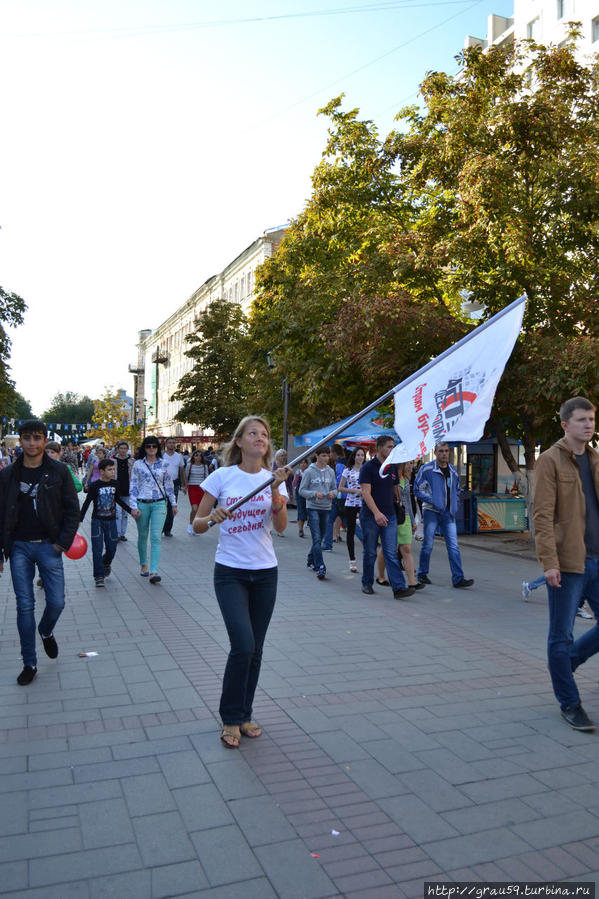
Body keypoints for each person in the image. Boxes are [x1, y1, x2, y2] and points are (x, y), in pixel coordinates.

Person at [192, 415, 290, 749]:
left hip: (265, 573)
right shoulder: (222, 477)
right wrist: (212, 517)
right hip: (230, 572)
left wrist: (276, 490)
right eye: (253, 433)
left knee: (257, 649)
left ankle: (245, 714)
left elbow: (281, 527)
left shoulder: (272, 479)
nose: (260, 438)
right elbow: (196, 525)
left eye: (264, 434)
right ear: (239, 441)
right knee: (243, 645)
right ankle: (230, 718)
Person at [534, 396, 599, 732]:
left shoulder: (595, 459)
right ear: (564, 424)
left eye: (591, 419)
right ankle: (570, 703)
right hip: (568, 563)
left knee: (566, 649)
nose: (588, 424)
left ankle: (569, 662)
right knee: (560, 636)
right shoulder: (550, 461)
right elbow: (542, 516)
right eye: (582, 420)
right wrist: (549, 562)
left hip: (597, 559)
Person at [0, 420, 79, 686]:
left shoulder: (59, 471)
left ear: (45, 440)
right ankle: (29, 662)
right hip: (19, 546)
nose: (31, 443)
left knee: (56, 602)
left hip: (49, 545)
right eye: (26, 438)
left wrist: (61, 544)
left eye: (37, 438)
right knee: (25, 606)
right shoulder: (8, 474)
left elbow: (72, 510)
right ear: (20, 441)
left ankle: (45, 631)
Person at [359, 435, 414, 599]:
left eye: (393, 446)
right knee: (370, 552)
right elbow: (365, 493)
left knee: (390, 551)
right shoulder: (368, 467)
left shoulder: (391, 467)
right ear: (379, 448)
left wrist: (399, 503)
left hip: (390, 515)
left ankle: (398, 588)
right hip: (370, 516)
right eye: (389, 447)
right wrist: (376, 513)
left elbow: (395, 487)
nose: (392, 449)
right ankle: (367, 583)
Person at [414, 443, 473, 589]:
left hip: (448, 513)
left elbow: (457, 489)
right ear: (435, 452)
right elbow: (417, 489)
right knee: (428, 545)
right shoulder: (426, 469)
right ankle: (422, 573)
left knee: (453, 546)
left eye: (446, 451)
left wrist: (455, 503)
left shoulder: (453, 470)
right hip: (431, 512)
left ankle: (458, 578)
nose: (444, 454)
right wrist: (432, 500)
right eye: (441, 451)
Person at [80, 458, 138, 587]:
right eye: (110, 470)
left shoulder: (115, 484)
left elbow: (118, 500)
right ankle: (99, 576)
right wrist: (80, 519)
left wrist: (131, 511)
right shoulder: (95, 486)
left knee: (112, 548)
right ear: (101, 471)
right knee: (97, 549)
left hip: (111, 521)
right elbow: (86, 502)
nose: (113, 472)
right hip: (97, 521)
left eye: (113, 469)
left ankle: (106, 563)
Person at [129, 437, 177, 584]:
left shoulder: (164, 464)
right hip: (142, 503)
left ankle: (154, 571)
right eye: (148, 446)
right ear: (144, 448)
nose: (151, 449)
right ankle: (144, 564)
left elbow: (169, 486)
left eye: (154, 446)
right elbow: (134, 485)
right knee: (143, 535)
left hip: (159, 504)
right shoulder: (138, 464)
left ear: (158, 448)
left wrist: (173, 504)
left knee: (156, 537)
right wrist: (133, 506)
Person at [299, 448, 337, 580]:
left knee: (319, 538)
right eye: (323, 456)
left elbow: (334, 488)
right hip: (313, 507)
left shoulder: (330, 471)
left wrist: (333, 493)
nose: (326, 458)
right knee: (316, 537)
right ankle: (320, 566)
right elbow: (301, 490)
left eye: (328, 456)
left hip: (327, 507)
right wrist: (314, 494)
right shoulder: (309, 472)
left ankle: (310, 558)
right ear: (317, 456)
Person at [396, 460, 424, 591]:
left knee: (406, 549)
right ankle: (381, 576)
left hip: (405, 517)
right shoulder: (392, 477)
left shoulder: (407, 480)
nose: (411, 466)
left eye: (412, 463)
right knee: (387, 551)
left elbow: (408, 501)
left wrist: (413, 521)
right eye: (409, 463)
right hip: (392, 516)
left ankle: (412, 581)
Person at [339, 447, 365, 573]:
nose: (360, 457)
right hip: (351, 503)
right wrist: (354, 491)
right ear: (354, 457)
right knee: (351, 531)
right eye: (358, 455)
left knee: (368, 529)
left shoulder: (366, 470)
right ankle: (352, 560)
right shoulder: (347, 471)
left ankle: (367, 556)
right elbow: (340, 488)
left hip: (364, 503)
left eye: (362, 455)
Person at [322, 444, 347, 550]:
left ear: (334, 453)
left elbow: (339, 481)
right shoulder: (344, 462)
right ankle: (367, 541)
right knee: (348, 522)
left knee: (330, 520)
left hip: (339, 497)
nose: (329, 455)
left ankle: (327, 544)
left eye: (330, 453)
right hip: (344, 497)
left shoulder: (339, 464)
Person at [161, 437, 186, 537]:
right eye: (169, 442)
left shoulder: (179, 456)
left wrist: (184, 484)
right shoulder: (161, 455)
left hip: (174, 484)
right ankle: (160, 528)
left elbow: (182, 470)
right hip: (161, 484)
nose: (171, 444)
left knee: (172, 507)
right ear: (166, 444)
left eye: (173, 443)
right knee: (161, 507)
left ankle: (168, 529)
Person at [112, 440, 134, 541]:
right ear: (118, 449)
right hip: (116, 490)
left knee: (125, 513)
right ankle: (117, 533)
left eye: (125, 448)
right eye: (121, 448)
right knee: (117, 513)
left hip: (128, 490)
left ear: (127, 450)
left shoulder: (131, 461)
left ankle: (123, 534)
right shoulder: (113, 461)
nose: (123, 450)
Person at [185, 449, 211, 534]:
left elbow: (207, 478)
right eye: (196, 455)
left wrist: (208, 489)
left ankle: (195, 527)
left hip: (201, 489)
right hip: (192, 488)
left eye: (200, 455)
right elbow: (185, 476)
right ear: (193, 456)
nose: (198, 457)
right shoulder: (189, 465)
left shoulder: (205, 466)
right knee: (194, 508)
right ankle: (190, 524)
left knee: (199, 509)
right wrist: (185, 486)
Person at [292, 458, 309, 538]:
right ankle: (300, 530)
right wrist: (297, 477)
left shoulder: (309, 472)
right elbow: (294, 483)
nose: (303, 464)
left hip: (308, 493)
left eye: (304, 463)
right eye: (301, 463)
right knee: (301, 511)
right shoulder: (298, 472)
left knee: (308, 511)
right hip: (299, 494)